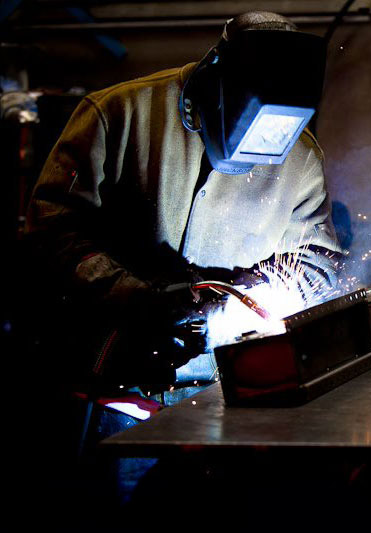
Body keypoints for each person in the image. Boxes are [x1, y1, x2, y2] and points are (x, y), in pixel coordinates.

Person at [23, 11, 342, 387]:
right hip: (105, 373)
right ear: (215, 80)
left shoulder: (302, 158)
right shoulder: (119, 114)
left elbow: (319, 265)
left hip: (222, 380)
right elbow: (52, 231)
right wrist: (136, 298)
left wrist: (236, 304)